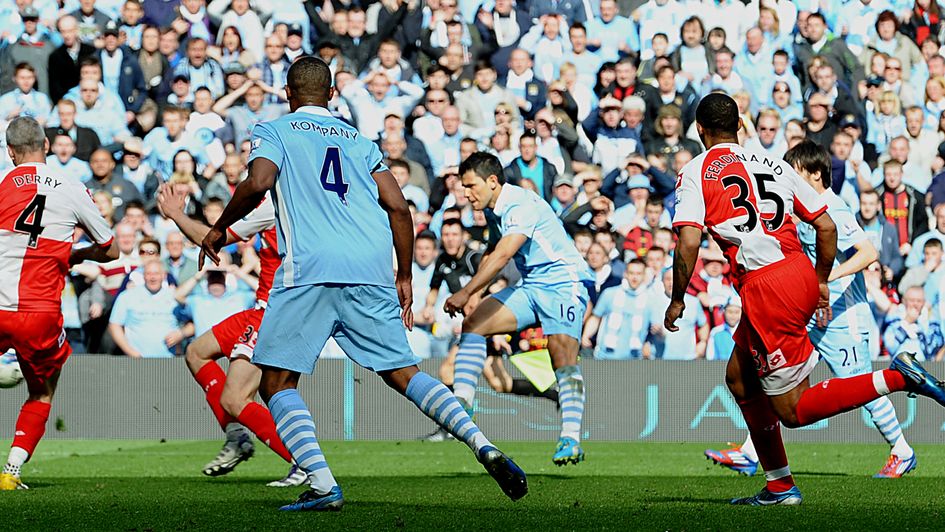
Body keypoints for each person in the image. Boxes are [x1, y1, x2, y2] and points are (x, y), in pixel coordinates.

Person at [199, 57, 526, 510]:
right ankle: (482, 445)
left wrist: (219, 227)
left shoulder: (274, 130)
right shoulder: (358, 140)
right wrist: (405, 275)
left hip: (311, 269)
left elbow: (259, 180)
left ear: (289, 95)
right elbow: (397, 205)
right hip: (371, 270)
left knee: (275, 383)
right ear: (332, 95)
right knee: (405, 373)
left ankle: (321, 483)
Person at [665, 94, 945, 506]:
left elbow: (689, 239)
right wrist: (817, 281)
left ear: (700, 130)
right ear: (741, 125)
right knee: (739, 378)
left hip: (766, 287)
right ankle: (779, 486)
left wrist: (677, 298)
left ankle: (898, 377)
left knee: (794, 412)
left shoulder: (696, 171)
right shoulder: (773, 164)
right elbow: (826, 226)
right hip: (798, 271)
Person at [706, 140, 916, 480]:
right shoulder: (801, 206)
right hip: (808, 311)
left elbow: (866, 253)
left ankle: (901, 449)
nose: (790, 178)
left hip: (843, 314)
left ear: (816, 174)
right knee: (772, 377)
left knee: (857, 383)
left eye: (797, 172)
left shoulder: (834, 207)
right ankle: (750, 453)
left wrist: (825, 275)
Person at [444, 150, 592, 465]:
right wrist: (475, 294)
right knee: (474, 322)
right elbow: (492, 251)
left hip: (565, 283)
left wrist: (466, 291)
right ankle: (461, 403)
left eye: (471, 186)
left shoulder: (520, 204)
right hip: (533, 286)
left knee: (561, 355)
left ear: (493, 181)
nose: (466, 194)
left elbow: (503, 255)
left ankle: (570, 438)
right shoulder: (495, 208)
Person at [157, 185, 304, 487]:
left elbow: (212, 238)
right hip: (264, 306)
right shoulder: (301, 199)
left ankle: (303, 462)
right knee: (197, 352)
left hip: (273, 311)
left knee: (236, 398)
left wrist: (175, 214)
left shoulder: (277, 201)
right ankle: (237, 437)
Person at [0, 116, 118, 491]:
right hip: (40, 313)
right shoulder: (71, 186)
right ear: (46, 147)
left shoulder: (1, 183)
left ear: (9, 151)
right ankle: (11, 471)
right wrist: (75, 254)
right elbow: (110, 248)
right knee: (42, 391)